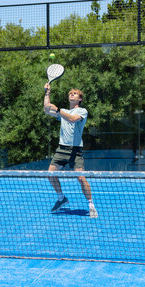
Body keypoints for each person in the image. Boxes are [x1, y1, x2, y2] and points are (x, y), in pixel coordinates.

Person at [43, 83, 98, 218]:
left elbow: (73, 119)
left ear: (80, 99)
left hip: (75, 151)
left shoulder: (82, 111)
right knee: (50, 174)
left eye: (75, 93)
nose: (71, 94)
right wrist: (47, 93)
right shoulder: (62, 112)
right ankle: (61, 198)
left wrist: (58, 110)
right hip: (62, 149)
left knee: (80, 177)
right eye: (70, 93)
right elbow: (46, 109)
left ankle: (91, 205)